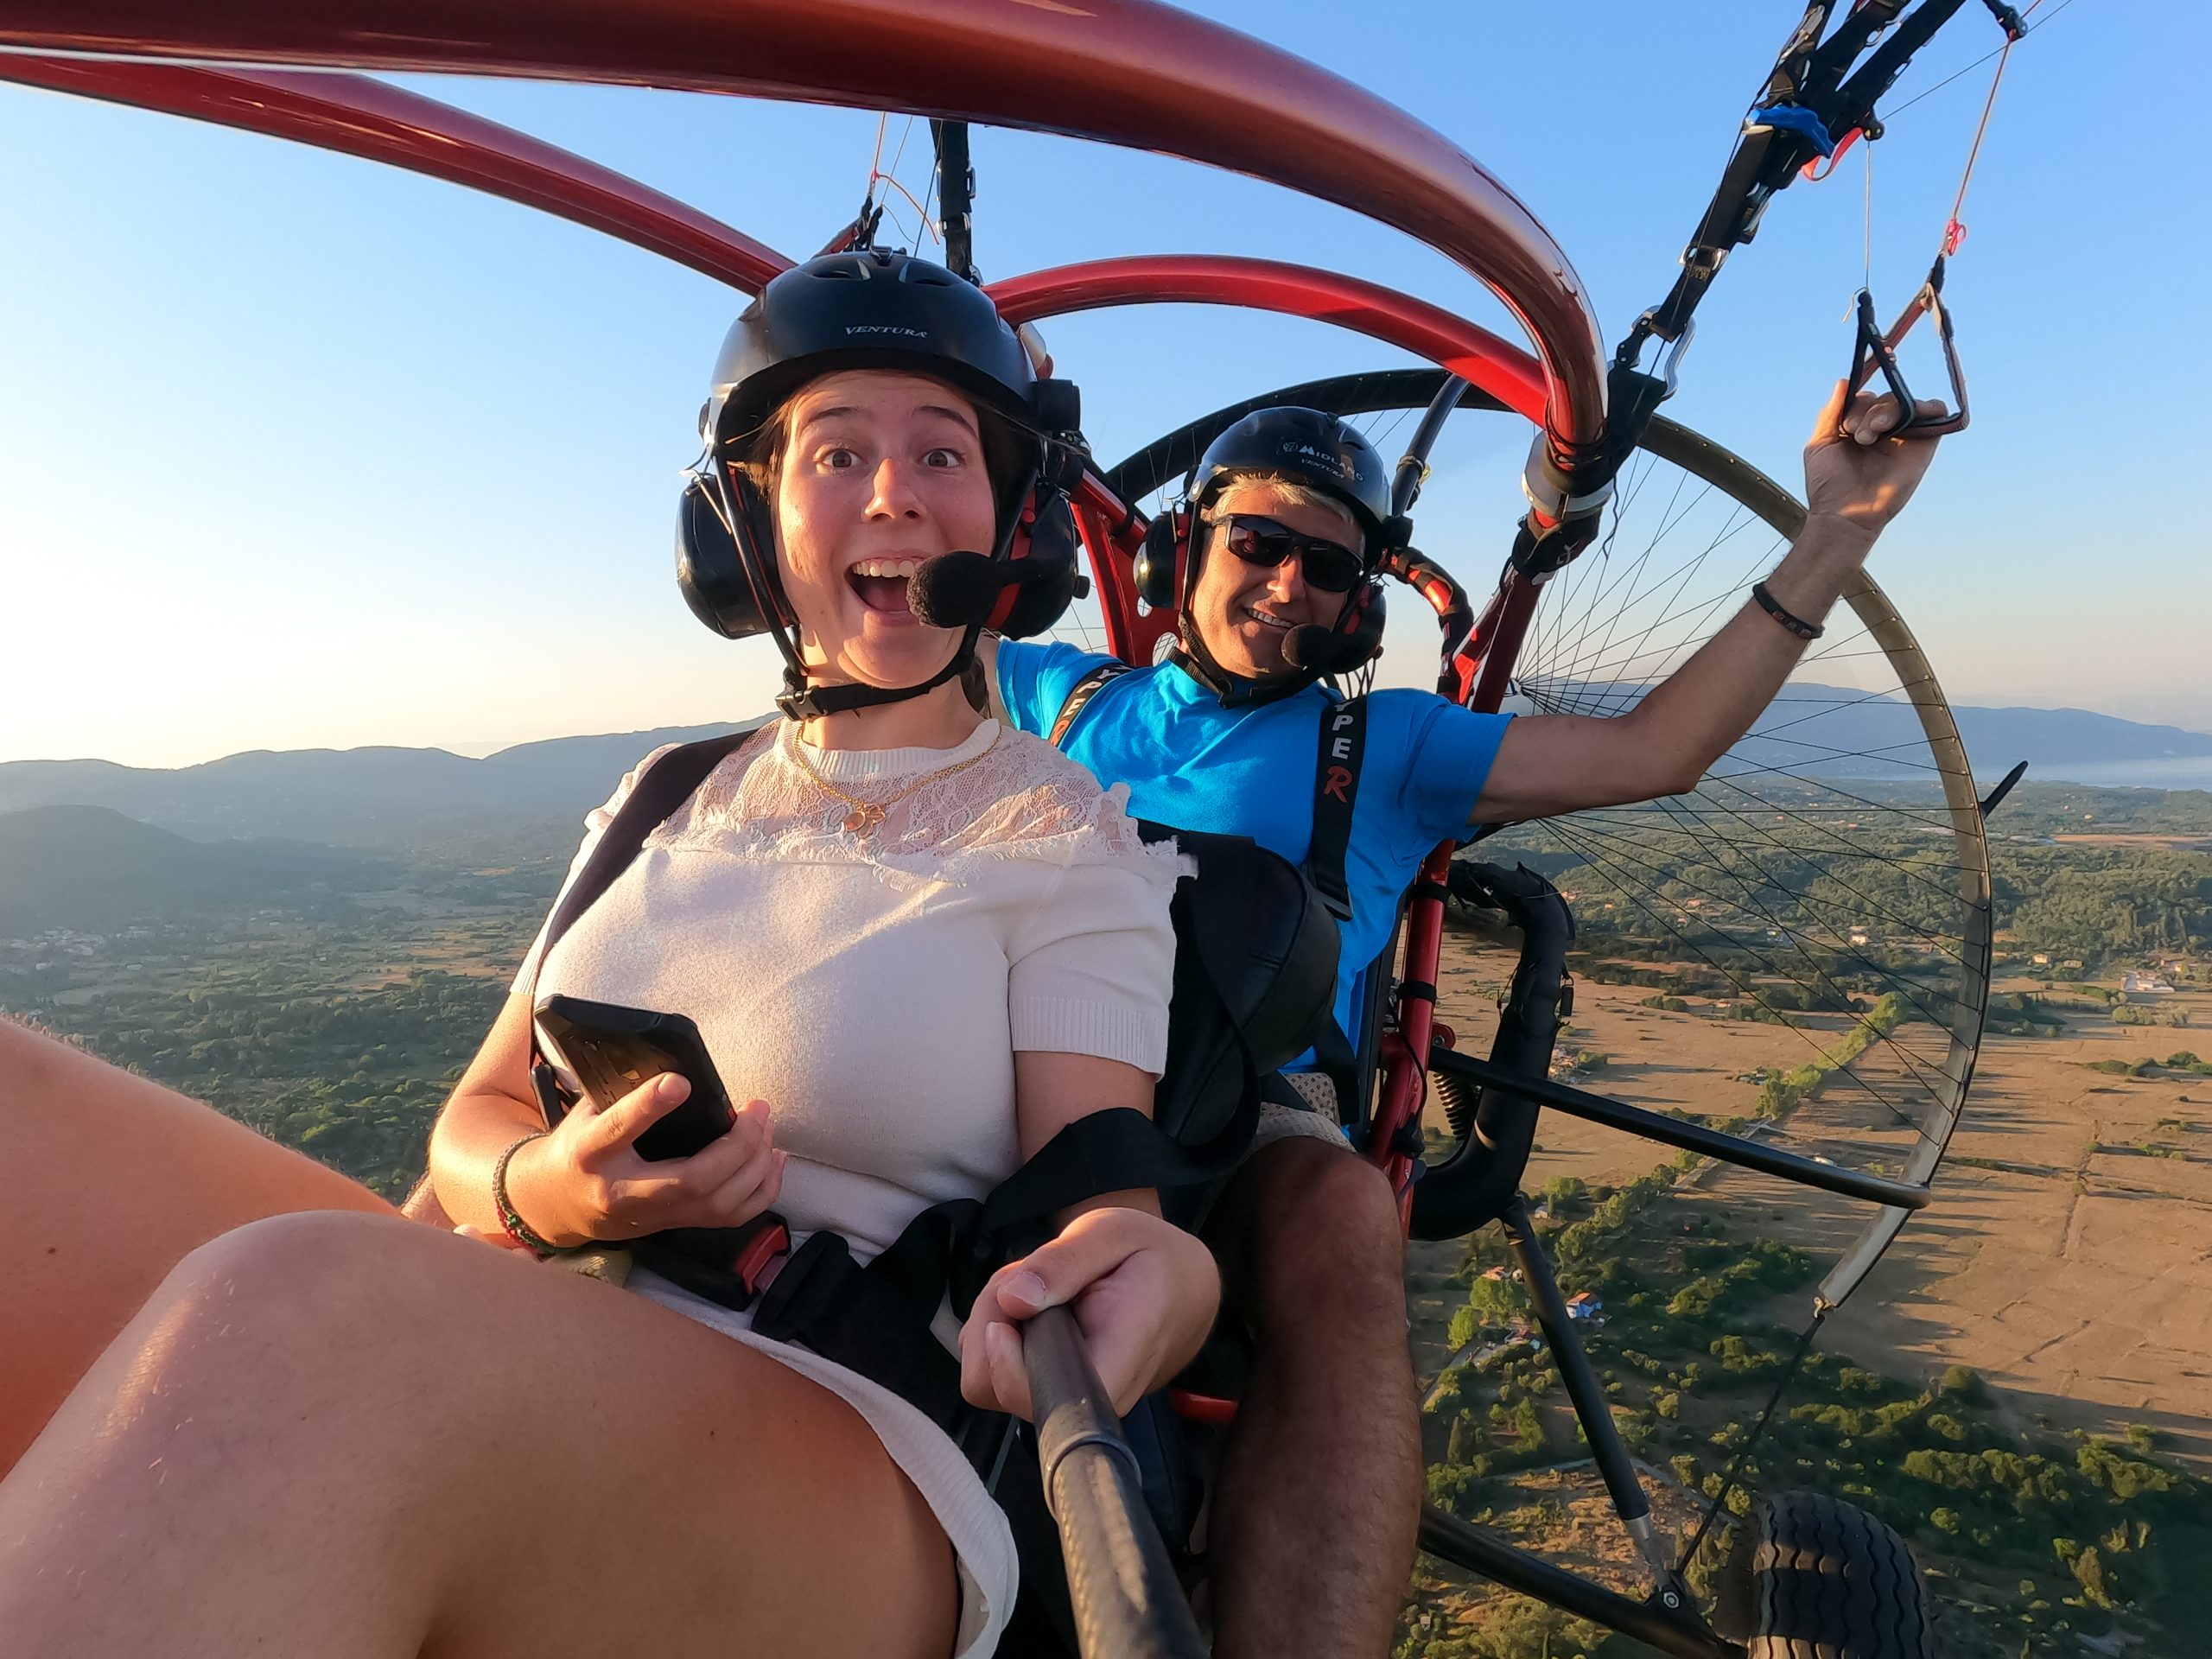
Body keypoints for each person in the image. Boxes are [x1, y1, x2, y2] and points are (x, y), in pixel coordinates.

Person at [0, 250, 1217, 1659]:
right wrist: (549, 1189)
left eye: (942, 452)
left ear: (1012, 523)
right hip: (529, 1314)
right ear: (748, 522)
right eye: (838, 452)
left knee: (309, 1322)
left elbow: (1103, 1210)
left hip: (866, 1436)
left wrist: (1166, 1279)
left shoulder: (1063, 836)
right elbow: (479, 1117)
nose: (893, 490)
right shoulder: (669, 793)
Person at [987, 382, 1947, 1659]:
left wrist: (1839, 533)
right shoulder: (1044, 697)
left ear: (1358, 606)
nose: (1287, 585)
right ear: (1185, 551)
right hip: (1007, 1065)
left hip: (1247, 1109)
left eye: (1329, 567)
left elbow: (1655, 751)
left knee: (1343, 1213)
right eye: (1259, 543)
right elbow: (857, 667)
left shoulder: (1385, 748)